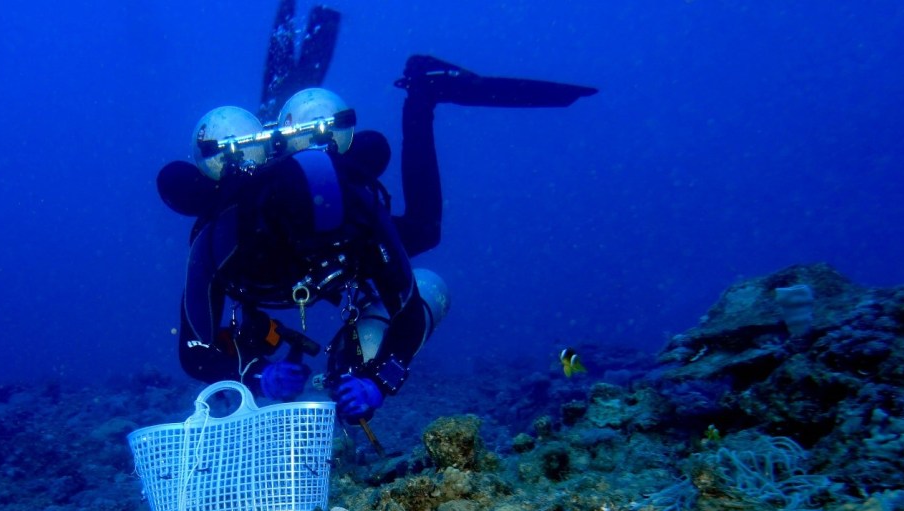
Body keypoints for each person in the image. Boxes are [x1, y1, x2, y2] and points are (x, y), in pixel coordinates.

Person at [156, 4, 598, 426]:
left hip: (355, 243)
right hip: (298, 256)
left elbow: (407, 308)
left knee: (425, 247)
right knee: (422, 232)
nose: (313, 250)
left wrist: (379, 379)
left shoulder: (358, 213)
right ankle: (313, 105)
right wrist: (256, 375)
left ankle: (419, 96)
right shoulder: (222, 241)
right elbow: (195, 351)